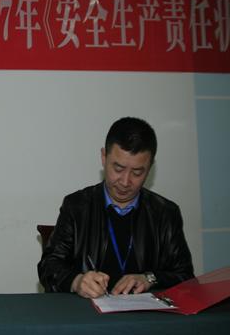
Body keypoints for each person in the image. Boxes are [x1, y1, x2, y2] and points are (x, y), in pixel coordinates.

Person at [37, 117, 194, 299]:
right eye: (118, 169)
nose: (125, 182)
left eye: (137, 172)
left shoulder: (165, 213)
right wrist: (77, 281)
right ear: (104, 157)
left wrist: (150, 278)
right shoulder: (77, 206)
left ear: (150, 167)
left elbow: (186, 276)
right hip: (88, 311)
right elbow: (48, 266)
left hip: (145, 314)